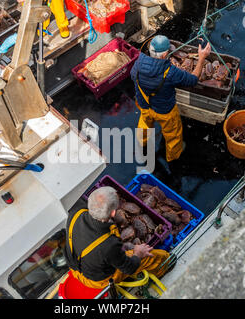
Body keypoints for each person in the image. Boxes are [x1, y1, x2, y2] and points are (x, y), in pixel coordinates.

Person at [64, 186, 170, 289]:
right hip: (95, 280)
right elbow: (129, 268)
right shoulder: (109, 245)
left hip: (74, 264)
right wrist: (138, 253)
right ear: (114, 212)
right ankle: (165, 268)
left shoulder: (76, 209)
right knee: (152, 257)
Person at [131, 35, 212, 163]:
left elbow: (133, 77)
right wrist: (201, 59)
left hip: (144, 106)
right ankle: (173, 157)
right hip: (165, 112)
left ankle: (141, 143)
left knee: (144, 126)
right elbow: (192, 80)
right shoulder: (171, 72)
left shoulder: (138, 63)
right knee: (173, 135)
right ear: (164, 55)